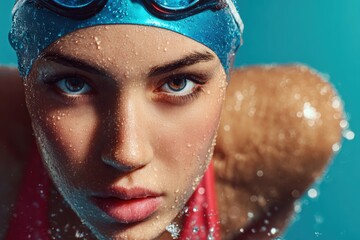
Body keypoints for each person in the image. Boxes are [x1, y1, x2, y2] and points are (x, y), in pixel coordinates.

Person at [0, 0, 343, 239]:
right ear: (27, 80)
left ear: (226, 74)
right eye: (73, 84)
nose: (127, 154)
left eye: (177, 83)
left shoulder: (287, 138)